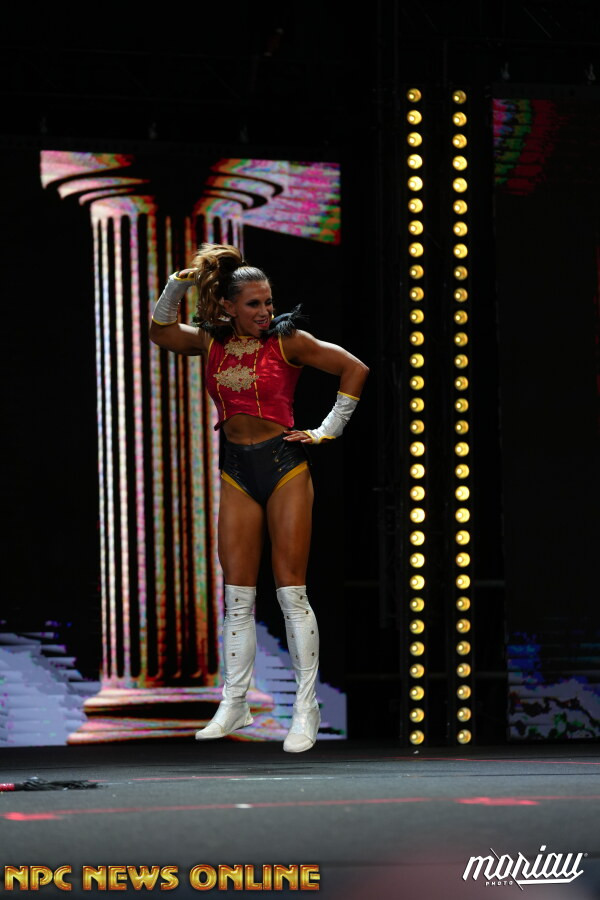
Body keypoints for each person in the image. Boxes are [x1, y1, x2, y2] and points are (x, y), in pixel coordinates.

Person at [149, 243, 368, 752]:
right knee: (237, 596)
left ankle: (306, 709)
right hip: (236, 470)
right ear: (228, 306)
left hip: (283, 465)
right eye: (254, 304)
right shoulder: (212, 340)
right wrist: (177, 286)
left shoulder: (288, 340)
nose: (266, 311)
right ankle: (235, 702)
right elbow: (161, 332)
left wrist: (327, 430)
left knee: (291, 592)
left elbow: (354, 368)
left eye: (268, 301)